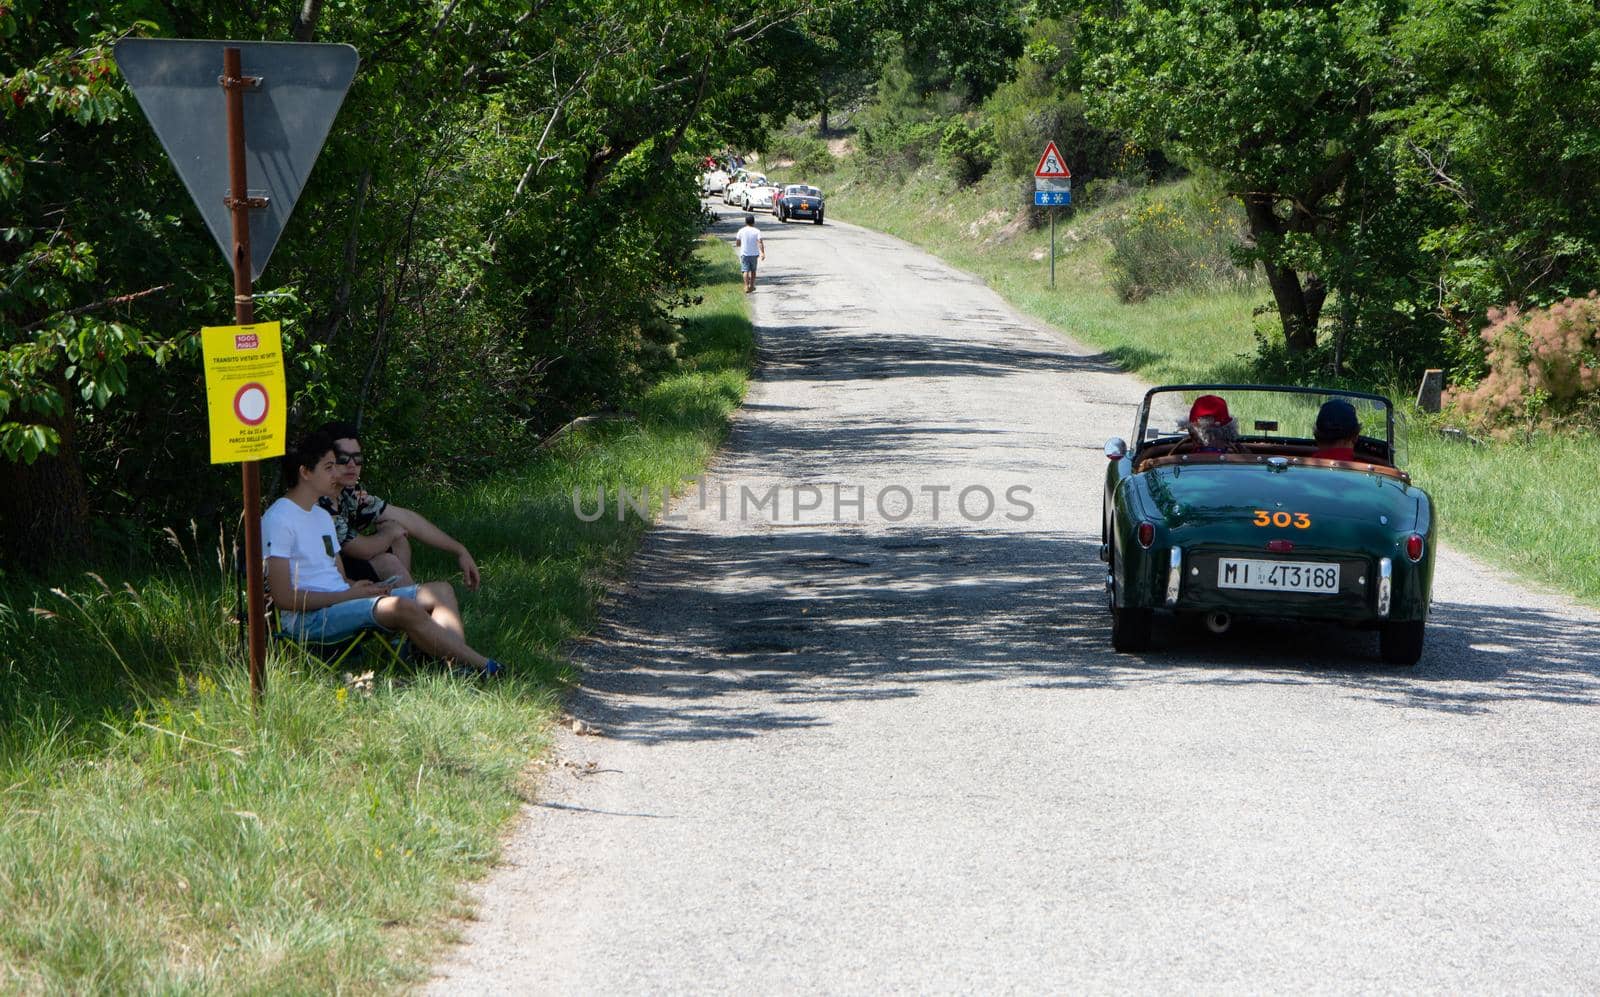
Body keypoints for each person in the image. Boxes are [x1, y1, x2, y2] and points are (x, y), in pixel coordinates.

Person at [263, 430, 504, 677]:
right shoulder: (279, 519)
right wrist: (348, 596)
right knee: (401, 606)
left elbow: (339, 578)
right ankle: (483, 666)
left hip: (341, 602)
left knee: (441, 590)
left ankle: (453, 666)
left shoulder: (322, 516)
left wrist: (361, 588)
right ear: (305, 472)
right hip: (308, 620)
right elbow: (283, 598)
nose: (337, 473)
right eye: (328, 467)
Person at [314, 420, 481, 592]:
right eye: (343, 458)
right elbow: (360, 549)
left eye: (358, 459)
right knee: (388, 559)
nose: (352, 465)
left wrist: (459, 550)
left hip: (342, 566)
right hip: (320, 579)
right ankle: (416, 610)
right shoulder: (318, 500)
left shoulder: (350, 492)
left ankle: (403, 603)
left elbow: (408, 519)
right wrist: (389, 533)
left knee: (399, 538)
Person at [733, 214, 765, 293]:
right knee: (753, 271)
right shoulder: (757, 231)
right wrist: (762, 253)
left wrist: (739, 244)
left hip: (744, 254)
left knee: (745, 270)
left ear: (745, 222)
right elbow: (760, 242)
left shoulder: (741, 230)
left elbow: (737, 242)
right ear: (753, 222)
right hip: (754, 254)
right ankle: (752, 285)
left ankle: (746, 286)